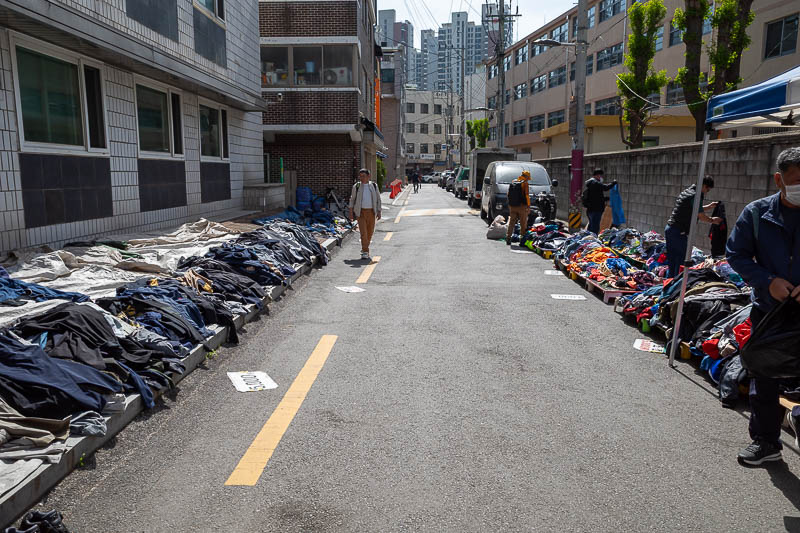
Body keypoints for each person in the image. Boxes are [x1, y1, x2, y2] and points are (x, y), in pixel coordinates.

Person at [727, 147, 800, 467]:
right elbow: (736, 254)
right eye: (796, 181)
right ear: (778, 179)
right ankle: (766, 442)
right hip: (769, 309)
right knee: (765, 378)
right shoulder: (756, 214)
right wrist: (767, 280)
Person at [664, 176, 721, 279]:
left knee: (672, 259)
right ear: (704, 186)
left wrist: (709, 206)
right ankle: (677, 283)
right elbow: (701, 215)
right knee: (681, 260)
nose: (707, 192)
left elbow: (694, 209)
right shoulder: (696, 195)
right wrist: (713, 220)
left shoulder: (688, 191)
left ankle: (669, 282)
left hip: (671, 229)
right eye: (708, 189)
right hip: (678, 232)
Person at [348, 169, 382, 260]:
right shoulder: (357, 186)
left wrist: (379, 211)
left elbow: (378, 199)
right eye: (360, 176)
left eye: (363, 176)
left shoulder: (374, 186)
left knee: (370, 232)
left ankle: (365, 248)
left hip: (372, 212)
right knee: (364, 233)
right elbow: (352, 199)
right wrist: (351, 212)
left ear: (368, 176)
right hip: (361, 212)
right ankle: (365, 251)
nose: (361, 178)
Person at [583, 169, 617, 234]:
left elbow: (596, 197)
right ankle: (593, 238)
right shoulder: (595, 183)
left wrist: (605, 199)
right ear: (597, 175)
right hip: (596, 209)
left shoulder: (591, 184)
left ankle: (589, 237)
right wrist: (613, 183)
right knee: (595, 227)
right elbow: (605, 187)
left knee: (591, 226)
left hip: (590, 209)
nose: (601, 177)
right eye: (600, 176)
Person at [506, 170, 531, 246]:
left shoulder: (513, 182)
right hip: (521, 206)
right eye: (528, 178)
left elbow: (508, 194)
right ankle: (522, 240)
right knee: (523, 223)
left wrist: (510, 204)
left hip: (512, 206)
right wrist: (528, 206)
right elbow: (527, 195)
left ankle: (508, 238)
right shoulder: (525, 183)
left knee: (511, 222)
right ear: (526, 177)